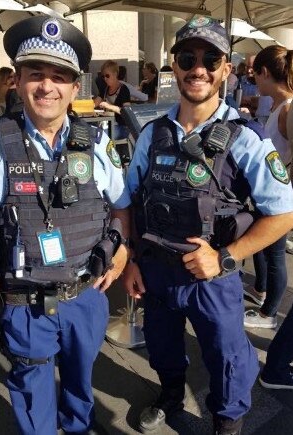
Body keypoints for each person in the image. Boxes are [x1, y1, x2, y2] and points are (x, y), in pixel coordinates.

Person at [122, 17, 293, 435]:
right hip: (156, 271)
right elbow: (125, 202)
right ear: (174, 67)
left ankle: (226, 422)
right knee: (162, 346)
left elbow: (285, 213)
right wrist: (129, 261)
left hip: (212, 279)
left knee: (226, 356)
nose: (198, 68)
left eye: (210, 58)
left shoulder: (245, 137)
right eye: (187, 58)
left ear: (226, 69)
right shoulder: (152, 134)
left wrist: (226, 257)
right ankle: (170, 396)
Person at [0, 16, 131, 435]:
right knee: (33, 393)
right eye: (35, 74)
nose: (46, 86)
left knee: (81, 389)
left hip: (86, 297)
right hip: (25, 303)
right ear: (17, 81)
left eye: (60, 77)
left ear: (76, 88)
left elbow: (122, 206)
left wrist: (123, 250)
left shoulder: (96, 143)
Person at [243, 45, 293, 329]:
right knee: (264, 249)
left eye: (254, 76)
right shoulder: (277, 105)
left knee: (275, 256)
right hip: (267, 193)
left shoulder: (288, 108)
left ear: (264, 72)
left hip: (279, 198)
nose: (254, 82)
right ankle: (261, 291)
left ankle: (269, 313)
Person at [94, 60, 131, 140]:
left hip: (121, 127)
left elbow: (127, 112)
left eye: (107, 76)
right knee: (92, 132)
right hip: (107, 124)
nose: (105, 79)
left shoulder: (123, 89)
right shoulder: (105, 88)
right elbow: (95, 103)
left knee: (102, 137)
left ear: (115, 74)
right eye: (103, 76)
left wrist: (108, 106)